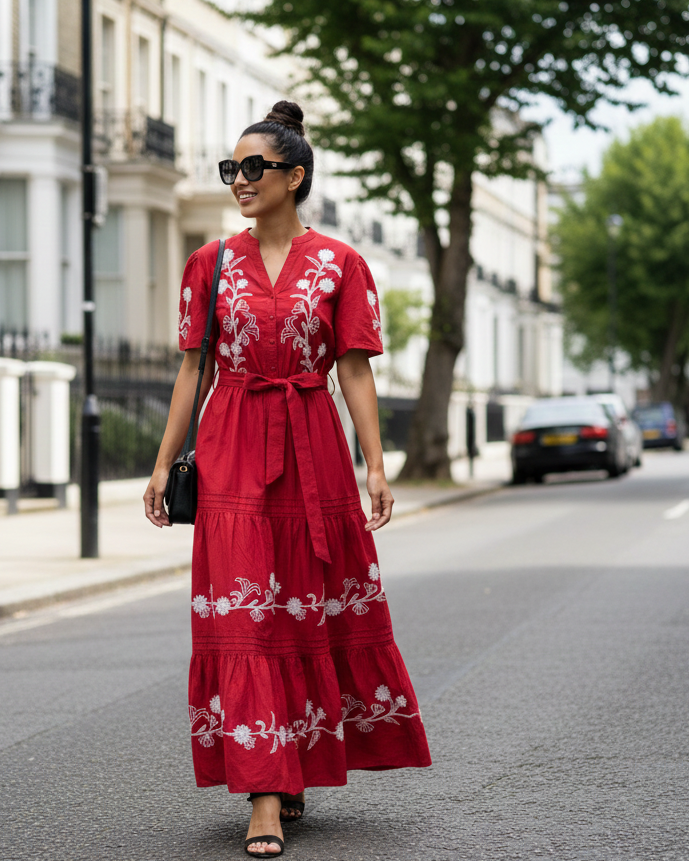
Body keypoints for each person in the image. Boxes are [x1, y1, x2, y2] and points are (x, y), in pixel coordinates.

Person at [144, 101, 431, 858]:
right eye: (231, 169)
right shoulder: (209, 263)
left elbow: (355, 371)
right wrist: (162, 462)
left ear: (294, 176)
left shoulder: (342, 264)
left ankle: (290, 762)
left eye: (254, 167)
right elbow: (194, 370)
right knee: (249, 618)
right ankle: (264, 795)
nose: (239, 180)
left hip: (313, 449)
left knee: (302, 611)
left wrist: (375, 465)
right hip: (233, 446)